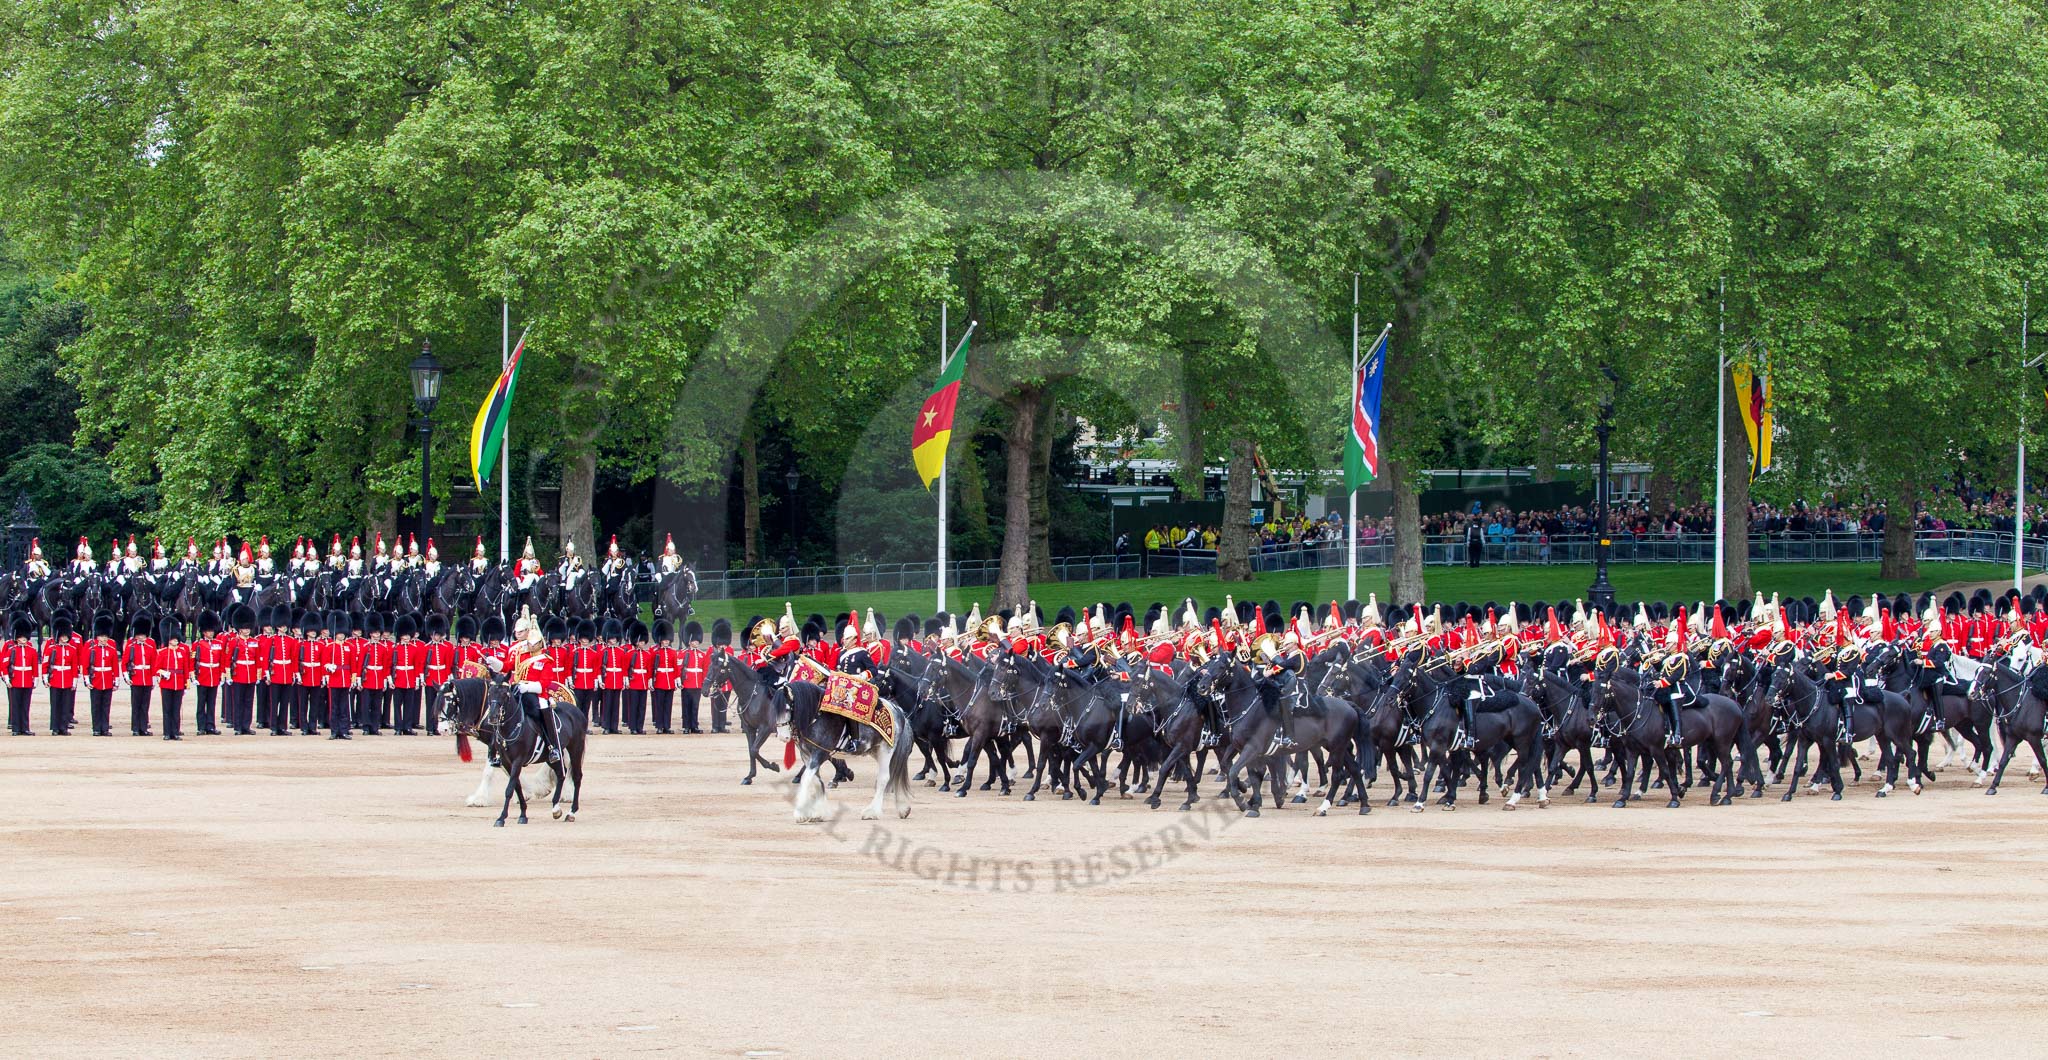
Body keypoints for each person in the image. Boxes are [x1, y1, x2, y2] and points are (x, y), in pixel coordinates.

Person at [500, 608, 563, 765]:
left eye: (534, 644)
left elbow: (545, 684)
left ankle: (552, 746)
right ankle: (496, 747)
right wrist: (497, 664)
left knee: (543, 714)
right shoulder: (521, 655)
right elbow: (509, 666)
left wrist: (528, 687)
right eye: (529, 644)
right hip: (519, 691)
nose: (531, 646)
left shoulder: (546, 660)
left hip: (537, 694)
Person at [155, 620, 192, 740]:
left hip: (179, 683)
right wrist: (163, 673)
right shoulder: (163, 653)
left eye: (177, 638)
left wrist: (186, 683)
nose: (176, 640)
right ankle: (167, 732)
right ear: (169, 639)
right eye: (174, 638)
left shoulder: (182, 652)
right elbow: (156, 669)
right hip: (167, 684)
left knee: (176, 710)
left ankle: (175, 732)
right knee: (167, 709)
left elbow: (185, 669)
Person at [191, 611, 227, 735]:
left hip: (214, 676)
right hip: (202, 676)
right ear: (203, 631)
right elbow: (192, 661)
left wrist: (222, 674)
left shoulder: (219, 644)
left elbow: (222, 660)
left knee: (212, 703)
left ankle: (210, 726)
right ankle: (201, 726)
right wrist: (193, 676)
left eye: (212, 630)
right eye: (209, 631)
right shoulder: (197, 644)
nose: (211, 633)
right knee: (201, 703)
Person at [85, 616, 119, 736]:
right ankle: (96, 728)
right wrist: (87, 680)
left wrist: (116, 681)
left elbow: (115, 666)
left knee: (106, 706)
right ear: (97, 637)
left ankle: (104, 728)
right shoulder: (91, 650)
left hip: (108, 680)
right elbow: (86, 666)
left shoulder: (111, 650)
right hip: (96, 680)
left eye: (105, 636)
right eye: (101, 636)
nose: (104, 638)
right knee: (96, 706)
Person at [123, 614, 157, 736]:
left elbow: (154, 662)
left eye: (143, 635)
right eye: (140, 635)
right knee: (136, 704)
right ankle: (136, 728)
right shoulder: (131, 645)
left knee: (145, 705)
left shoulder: (150, 644)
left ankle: (144, 727)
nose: (142, 637)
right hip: (136, 678)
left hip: (147, 678)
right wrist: (127, 677)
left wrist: (153, 678)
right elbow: (125, 662)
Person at [7, 619, 40, 735]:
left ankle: (25, 727)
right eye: (20, 638)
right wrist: (7, 680)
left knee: (26, 705)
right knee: (16, 705)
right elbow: (5, 666)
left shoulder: (32, 651)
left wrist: (35, 679)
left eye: (24, 638)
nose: (22, 640)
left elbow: (35, 667)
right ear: (16, 638)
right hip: (16, 680)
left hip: (27, 681)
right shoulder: (12, 650)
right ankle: (16, 728)